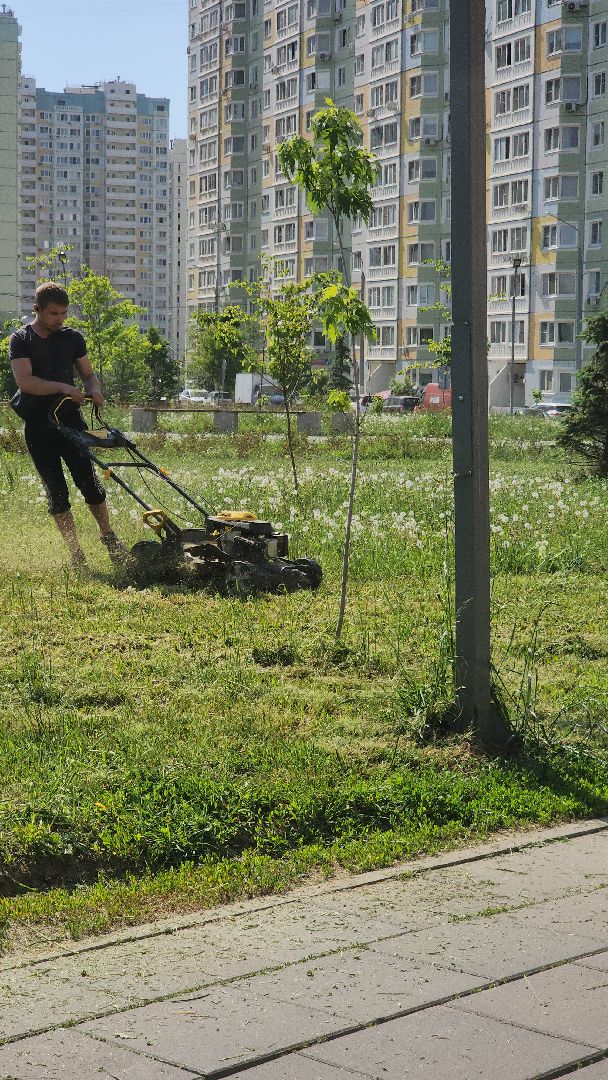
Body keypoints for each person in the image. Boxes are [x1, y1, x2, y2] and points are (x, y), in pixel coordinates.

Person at [9, 281, 129, 572]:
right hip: (39, 427)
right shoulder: (21, 340)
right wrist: (63, 386)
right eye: (54, 314)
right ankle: (76, 555)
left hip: (72, 422)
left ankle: (108, 537)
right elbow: (26, 383)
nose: (60, 319)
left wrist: (95, 389)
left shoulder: (72, 338)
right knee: (56, 492)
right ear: (37, 309)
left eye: (64, 313)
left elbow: (88, 374)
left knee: (90, 483)